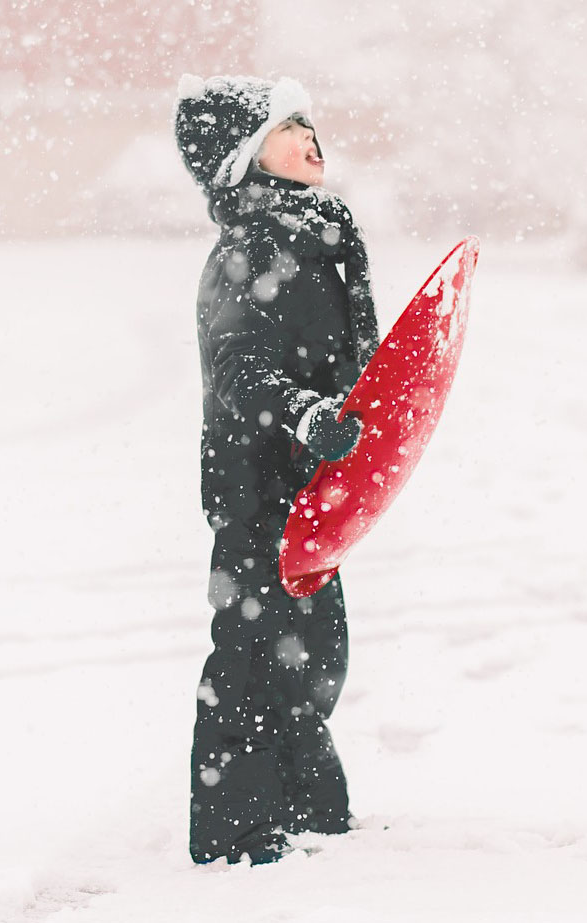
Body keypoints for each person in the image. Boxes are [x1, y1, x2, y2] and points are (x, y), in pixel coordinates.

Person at [172, 74, 380, 866]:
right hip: (258, 479)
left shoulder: (308, 232)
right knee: (254, 653)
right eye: (288, 125)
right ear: (242, 156)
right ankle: (234, 829)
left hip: (307, 480)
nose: (311, 135)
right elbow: (238, 366)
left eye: (309, 121)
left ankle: (308, 807)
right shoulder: (255, 244)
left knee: (313, 647)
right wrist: (302, 415)